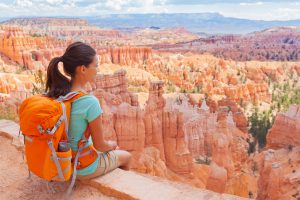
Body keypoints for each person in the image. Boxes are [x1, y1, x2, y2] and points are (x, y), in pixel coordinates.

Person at [45, 41, 131, 180]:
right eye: (96, 66)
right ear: (83, 69)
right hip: (81, 167)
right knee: (127, 157)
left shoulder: (58, 93)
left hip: (59, 160)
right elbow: (100, 146)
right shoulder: (89, 102)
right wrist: (113, 145)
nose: (98, 70)